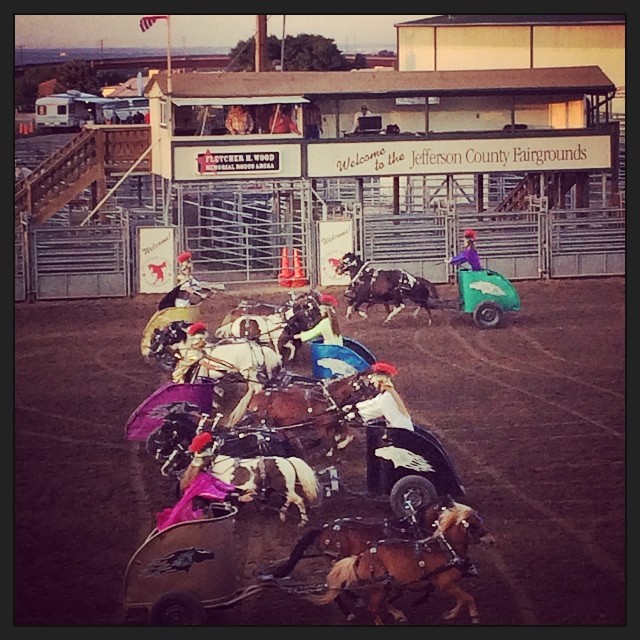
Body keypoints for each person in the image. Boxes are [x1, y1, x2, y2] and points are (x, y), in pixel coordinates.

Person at [352, 361, 414, 432]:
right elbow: (372, 402)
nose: (373, 385)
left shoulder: (386, 397)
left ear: (380, 383)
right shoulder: (386, 394)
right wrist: (354, 407)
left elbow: (377, 410)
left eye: (375, 382)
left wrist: (356, 414)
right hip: (399, 429)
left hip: (401, 431)